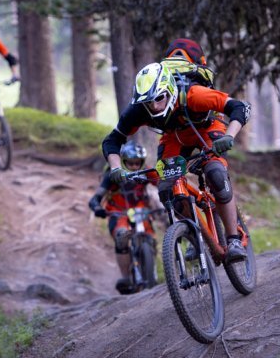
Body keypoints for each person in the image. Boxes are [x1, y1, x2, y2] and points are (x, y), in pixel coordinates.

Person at [102, 39, 252, 262]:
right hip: (174, 137)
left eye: (159, 99)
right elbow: (112, 141)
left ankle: (233, 239)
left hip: (208, 128)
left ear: (169, 89)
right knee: (166, 188)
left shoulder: (194, 94)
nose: (154, 107)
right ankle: (194, 234)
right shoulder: (140, 109)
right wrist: (115, 167)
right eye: (148, 103)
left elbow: (239, 107)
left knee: (215, 173)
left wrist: (229, 136)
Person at [89, 140, 160, 292]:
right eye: (130, 163)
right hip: (117, 212)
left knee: (151, 238)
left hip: (142, 211)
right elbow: (95, 198)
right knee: (122, 237)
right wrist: (97, 208)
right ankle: (126, 277)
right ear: (123, 162)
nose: (134, 166)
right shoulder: (112, 175)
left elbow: (162, 184)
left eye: (137, 163)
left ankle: (151, 269)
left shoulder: (147, 171)